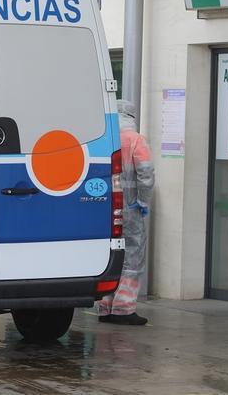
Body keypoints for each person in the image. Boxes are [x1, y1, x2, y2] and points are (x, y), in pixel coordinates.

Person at [95, 99, 155, 325]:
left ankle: (105, 307)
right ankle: (124, 308)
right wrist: (143, 201)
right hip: (130, 207)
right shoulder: (136, 139)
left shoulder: (106, 137)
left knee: (112, 256)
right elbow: (146, 174)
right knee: (133, 257)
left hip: (106, 206)